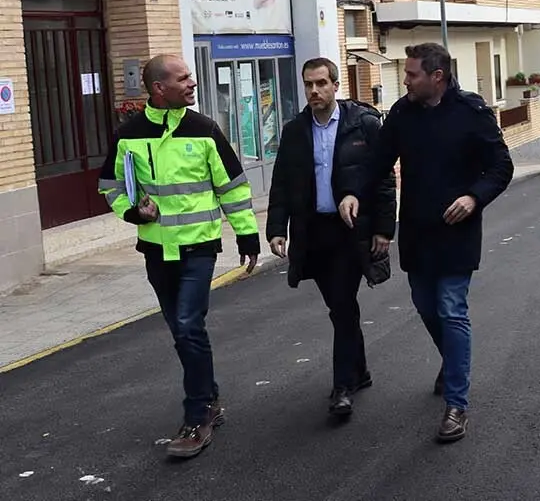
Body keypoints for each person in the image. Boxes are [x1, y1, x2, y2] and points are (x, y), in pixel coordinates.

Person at [339, 42, 513, 443]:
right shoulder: (402, 113)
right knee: (425, 306)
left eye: (411, 73)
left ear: (437, 76)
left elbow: (501, 166)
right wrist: (353, 192)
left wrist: (473, 197)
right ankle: (453, 361)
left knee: (451, 308)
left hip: (457, 232)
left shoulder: (472, 113)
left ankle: (457, 404)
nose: (405, 80)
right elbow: (377, 162)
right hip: (417, 231)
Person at [96, 54, 260, 460]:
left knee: (188, 325)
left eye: (191, 76)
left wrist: (248, 237)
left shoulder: (204, 130)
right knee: (181, 331)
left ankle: (198, 416)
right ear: (158, 88)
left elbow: (233, 188)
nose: (193, 83)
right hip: (156, 250)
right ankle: (210, 397)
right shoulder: (128, 134)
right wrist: (133, 212)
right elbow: (111, 186)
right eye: (183, 78)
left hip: (200, 247)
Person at [265, 58, 396, 417]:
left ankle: (342, 387)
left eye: (321, 83)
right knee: (340, 307)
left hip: (351, 232)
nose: (314, 91)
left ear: (336, 86)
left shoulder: (363, 124)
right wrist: (276, 229)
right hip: (313, 231)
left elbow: (384, 179)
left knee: (341, 303)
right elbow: (282, 183)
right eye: (308, 85)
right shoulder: (295, 131)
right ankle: (361, 370)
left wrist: (385, 229)